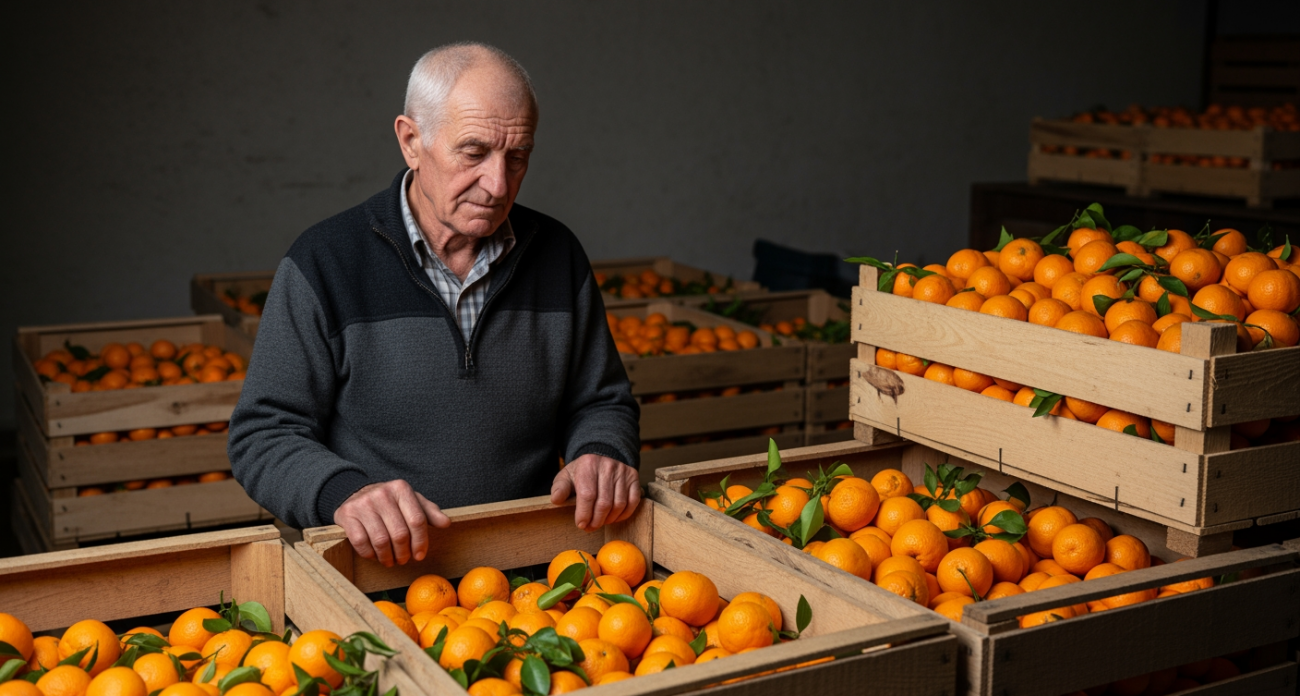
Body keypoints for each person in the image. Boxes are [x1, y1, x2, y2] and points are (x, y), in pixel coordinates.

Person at [228, 42, 640, 567]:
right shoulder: (324, 262)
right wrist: (343, 492)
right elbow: (262, 435)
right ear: (411, 141)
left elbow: (601, 401)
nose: (497, 185)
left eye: (517, 158)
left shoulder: (558, 255)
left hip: (536, 572)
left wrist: (601, 451)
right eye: (473, 152)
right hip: (377, 580)